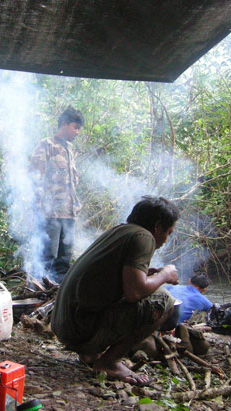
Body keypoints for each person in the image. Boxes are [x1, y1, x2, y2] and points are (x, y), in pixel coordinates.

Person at [51, 196, 180, 385]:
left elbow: (111, 279)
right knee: (165, 301)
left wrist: (147, 274)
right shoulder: (144, 237)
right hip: (79, 330)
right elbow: (135, 292)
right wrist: (166, 275)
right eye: (168, 232)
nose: (166, 239)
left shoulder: (120, 231)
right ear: (157, 227)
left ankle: (90, 354)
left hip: (65, 326)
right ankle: (109, 362)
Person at [31, 106, 84, 283]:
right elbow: (35, 177)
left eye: (79, 129)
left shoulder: (70, 150)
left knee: (64, 261)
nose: (77, 132)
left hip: (69, 214)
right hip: (50, 214)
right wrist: (40, 208)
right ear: (64, 124)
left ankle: (56, 298)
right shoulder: (46, 145)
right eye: (75, 127)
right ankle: (38, 294)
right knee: (47, 257)